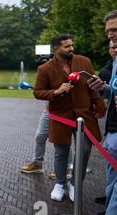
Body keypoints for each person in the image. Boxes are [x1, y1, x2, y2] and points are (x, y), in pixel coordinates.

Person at [34, 34, 106, 202]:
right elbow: (37, 92)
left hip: (84, 116)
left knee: (85, 150)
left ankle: (75, 184)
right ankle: (60, 184)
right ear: (56, 49)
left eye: (72, 45)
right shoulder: (45, 69)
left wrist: (99, 103)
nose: (71, 48)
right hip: (61, 116)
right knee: (61, 152)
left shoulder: (84, 62)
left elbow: (92, 86)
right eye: (66, 46)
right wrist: (56, 92)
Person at [87, 10, 117, 215]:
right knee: (110, 183)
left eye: (115, 30)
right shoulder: (116, 62)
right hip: (113, 132)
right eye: (108, 33)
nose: (111, 37)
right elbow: (113, 93)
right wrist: (104, 88)